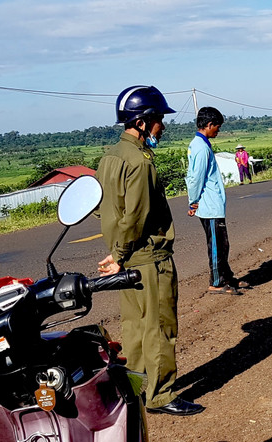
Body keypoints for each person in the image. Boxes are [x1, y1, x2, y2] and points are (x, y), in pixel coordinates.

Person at [96, 85, 204, 416]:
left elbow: (105, 210)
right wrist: (120, 252)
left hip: (127, 260)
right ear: (142, 121)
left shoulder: (109, 157)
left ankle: (137, 391)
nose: (162, 125)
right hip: (148, 259)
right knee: (159, 328)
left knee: (135, 330)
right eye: (158, 119)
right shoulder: (140, 161)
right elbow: (137, 215)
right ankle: (160, 396)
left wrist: (116, 253)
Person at [186, 107, 248, 295]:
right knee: (216, 246)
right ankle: (216, 282)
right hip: (209, 205)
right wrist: (193, 201)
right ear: (209, 125)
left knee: (222, 244)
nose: (218, 131)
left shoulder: (201, 145)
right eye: (217, 127)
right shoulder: (201, 148)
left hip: (213, 205)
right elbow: (195, 178)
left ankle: (226, 276)